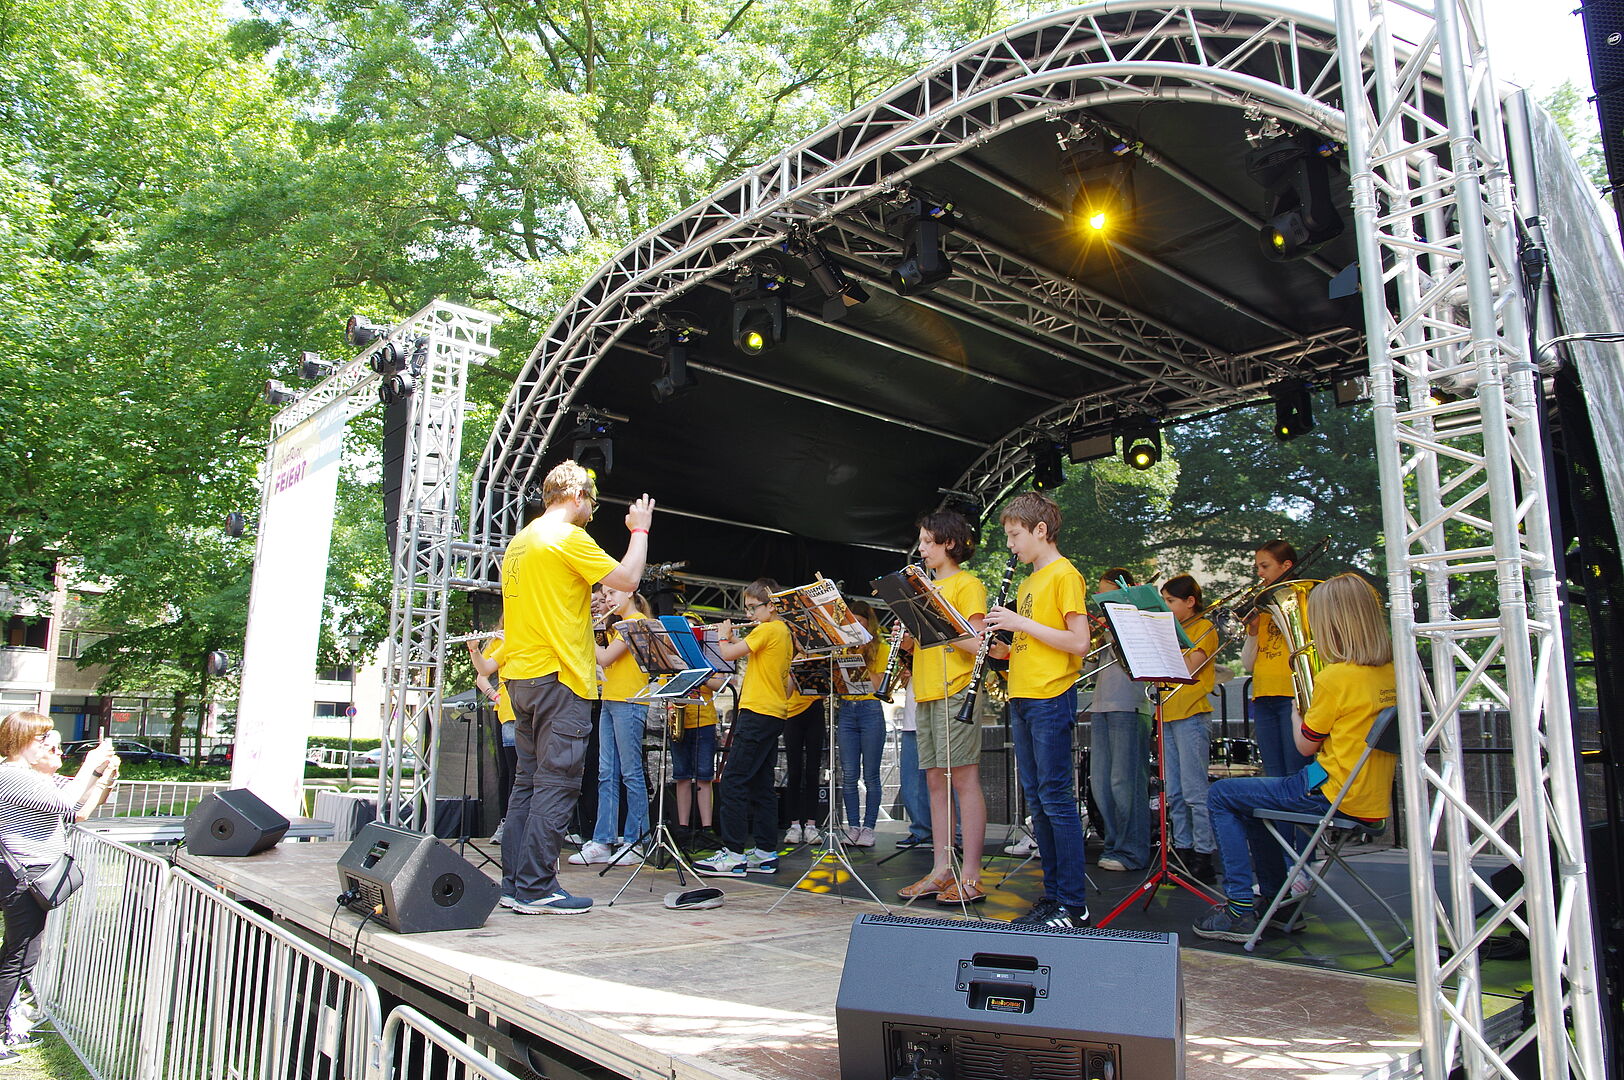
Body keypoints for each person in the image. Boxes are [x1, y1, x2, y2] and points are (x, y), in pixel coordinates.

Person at [1193, 573, 1398, 942]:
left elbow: (1305, 745)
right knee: (1249, 803)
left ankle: (1240, 908)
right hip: (1369, 800)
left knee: (1222, 795)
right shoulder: (1391, 672)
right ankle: (1275, 898)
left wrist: (1294, 711)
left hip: (1330, 793)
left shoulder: (1336, 676)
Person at [498, 460, 654, 914]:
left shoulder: (520, 541)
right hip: (560, 679)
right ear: (575, 496)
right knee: (557, 783)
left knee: (526, 783)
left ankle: (514, 884)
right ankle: (536, 887)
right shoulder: (567, 536)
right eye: (590, 501)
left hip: (522, 678)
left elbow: (557, 606)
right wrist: (639, 530)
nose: (591, 511)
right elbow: (627, 580)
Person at [985, 492, 1092, 928]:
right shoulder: (1029, 582)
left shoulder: (1065, 575)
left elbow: (1078, 643)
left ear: (1040, 531)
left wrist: (1018, 624)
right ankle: (1053, 897)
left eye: (1014, 535)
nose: (1010, 545)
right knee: (1039, 802)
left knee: (1056, 798)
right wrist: (1004, 649)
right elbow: (1036, 642)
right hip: (1024, 694)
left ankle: (1073, 903)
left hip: (1051, 696)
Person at [0, 714, 119, 1057]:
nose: (51, 743)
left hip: (29, 875)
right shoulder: (11, 776)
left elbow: (76, 811)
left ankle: (7, 1026)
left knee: (17, 953)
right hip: (23, 876)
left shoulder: (26, 777)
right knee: (20, 956)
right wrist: (92, 764)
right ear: (20, 739)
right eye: (43, 738)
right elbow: (69, 802)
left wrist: (103, 777)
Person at [897, 508, 990, 906]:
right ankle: (940, 869)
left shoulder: (968, 584)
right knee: (935, 781)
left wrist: (934, 618)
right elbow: (920, 646)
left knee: (963, 779)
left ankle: (971, 873)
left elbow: (977, 645)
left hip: (957, 689)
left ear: (948, 543)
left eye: (927, 542)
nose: (921, 549)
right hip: (927, 690)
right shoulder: (921, 589)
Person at [695, 579, 793, 877]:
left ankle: (734, 853)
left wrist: (723, 636)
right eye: (747, 609)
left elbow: (727, 655)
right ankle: (765, 851)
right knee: (761, 785)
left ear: (771, 605)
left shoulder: (769, 629)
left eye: (753, 608)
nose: (749, 615)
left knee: (733, 780)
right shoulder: (781, 632)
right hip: (772, 712)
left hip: (758, 711)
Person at [571, 587, 654, 865]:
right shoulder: (615, 625)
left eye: (611, 594)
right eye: (605, 595)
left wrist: (582, 630)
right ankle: (604, 840)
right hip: (609, 699)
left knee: (631, 774)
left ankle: (635, 840)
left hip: (630, 702)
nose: (607, 600)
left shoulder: (635, 622)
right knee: (607, 773)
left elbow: (605, 658)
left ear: (629, 592)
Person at [1086, 569, 1150, 873]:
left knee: (1124, 782)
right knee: (1101, 783)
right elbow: (1087, 659)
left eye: (1107, 593)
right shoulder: (1106, 627)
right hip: (1101, 706)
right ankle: (1113, 844)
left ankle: (1132, 850)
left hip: (1130, 706)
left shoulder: (1137, 619)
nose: (1102, 601)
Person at [1158, 574, 1220, 884]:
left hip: (1192, 714)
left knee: (1195, 789)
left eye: (1170, 601)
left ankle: (1204, 854)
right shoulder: (1171, 630)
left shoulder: (1205, 628)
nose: (1166, 607)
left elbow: (1189, 666)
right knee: (1175, 791)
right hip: (1167, 714)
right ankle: (1181, 848)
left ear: (1190, 602)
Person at [1243, 540, 1311, 779]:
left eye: (1265, 566)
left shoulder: (1303, 599)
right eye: (1258, 568)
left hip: (1292, 696)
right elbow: (1248, 665)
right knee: (1273, 773)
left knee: (1296, 771)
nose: (1260, 573)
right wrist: (1252, 632)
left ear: (1286, 566)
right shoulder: (1261, 608)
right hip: (1263, 696)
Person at [836, 601, 887, 848]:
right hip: (846, 709)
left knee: (871, 775)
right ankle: (852, 825)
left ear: (869, 624)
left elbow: (877, 686)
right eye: (851, 623)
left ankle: (869, 827)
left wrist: (862, 655)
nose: (855, 627)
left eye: (860, 622)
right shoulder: (843, 649)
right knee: (848, 774)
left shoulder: (881, 648)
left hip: (870, 710)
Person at [466, 630, 516, 843]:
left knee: (525, 773)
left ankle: (523, 825)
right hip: (508, 713)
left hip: (533, 712)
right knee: (509, 772)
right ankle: (507, 822)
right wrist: (474, 648)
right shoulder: (501, 640)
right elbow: (483, 674)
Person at [671, 678, 723, 849]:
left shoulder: (707, 659)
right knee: (682, 776)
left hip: (705, 721)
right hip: (680, 722)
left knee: (704, 776)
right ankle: (683, 829)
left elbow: (721, 686)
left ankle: (707, 829)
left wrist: (703, 675)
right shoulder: (673, 660)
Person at [781, 690, 825, 846]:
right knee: (794, 771)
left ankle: (811, 825)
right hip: (792, 712)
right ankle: (794, 825)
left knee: (813, 771)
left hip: (815, 707)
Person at [892, 677, 932, 850]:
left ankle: (956, 834)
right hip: (911, 719)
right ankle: (921, 831)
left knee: (944, 781)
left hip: (935, 712)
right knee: (911, 783)